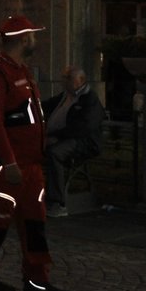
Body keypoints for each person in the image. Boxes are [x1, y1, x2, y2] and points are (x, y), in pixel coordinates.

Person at [0, 15, 72, 291]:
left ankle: (37, 282)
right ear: (24, 39)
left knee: (34, 225)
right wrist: (9, 162)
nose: (36, 41)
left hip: (29, 166)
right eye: (33, 36)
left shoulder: (21, 71)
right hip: (6, 169)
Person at [41, 64, 105, 216]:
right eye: (64, 77)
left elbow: (83, 127)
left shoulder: (89, 99)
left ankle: (57, 202)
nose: (64, 81)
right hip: (62, 136)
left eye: (68, 78)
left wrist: (57, 137)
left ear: (81, 80)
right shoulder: (65, 96)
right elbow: (46, 105)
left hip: (82, 141)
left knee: (55, 153)